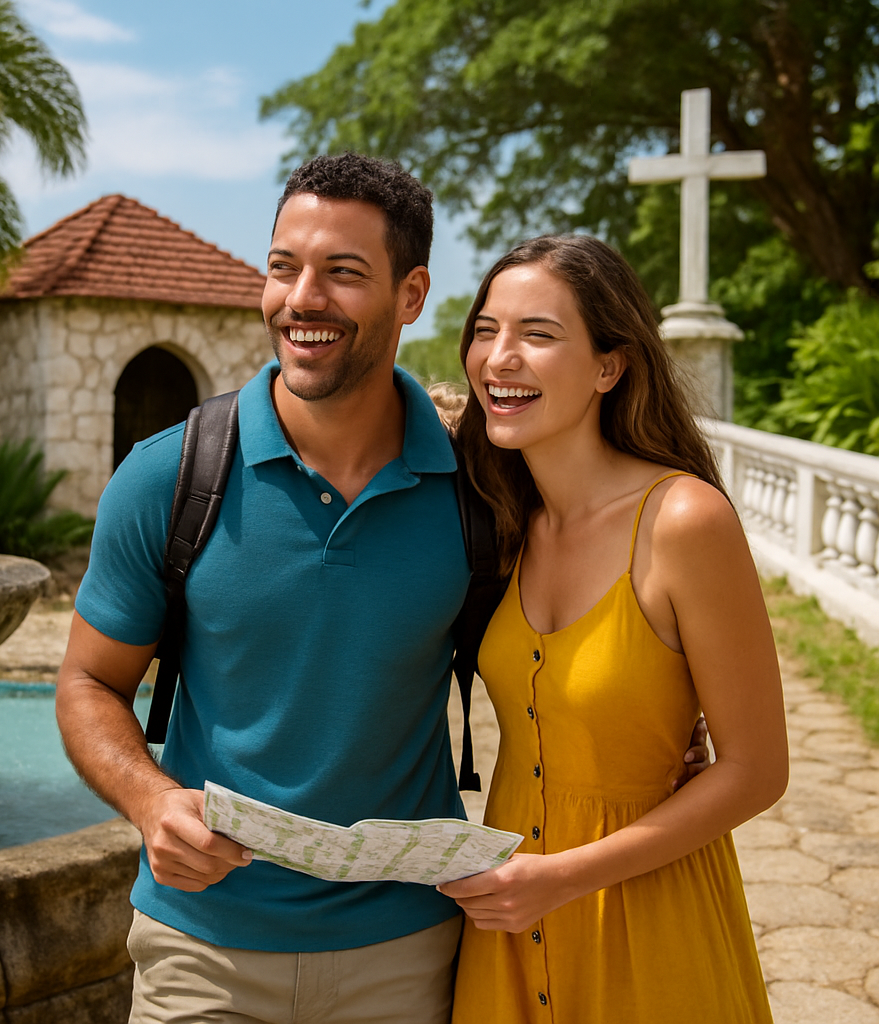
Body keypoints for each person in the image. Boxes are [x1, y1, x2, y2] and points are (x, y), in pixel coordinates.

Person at [56, 155, 708, 1024]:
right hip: (202, 952)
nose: (302, 299)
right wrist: (151, 800)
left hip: (410, 951)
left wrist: (659, 721)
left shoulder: (487, 490)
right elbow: (87, 681)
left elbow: (582, 624)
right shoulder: (168, 479)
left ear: (412, 295)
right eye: (283, 266)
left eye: (343, 272)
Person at [439, 235, 788, 1022]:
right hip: (507, 928)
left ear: (609, 366)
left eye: (538, 333)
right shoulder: (499, 519)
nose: (500, 357)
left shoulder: (683, 521)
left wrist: (560, 878)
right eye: (486, 331)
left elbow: (757, 769)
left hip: (646, 924)